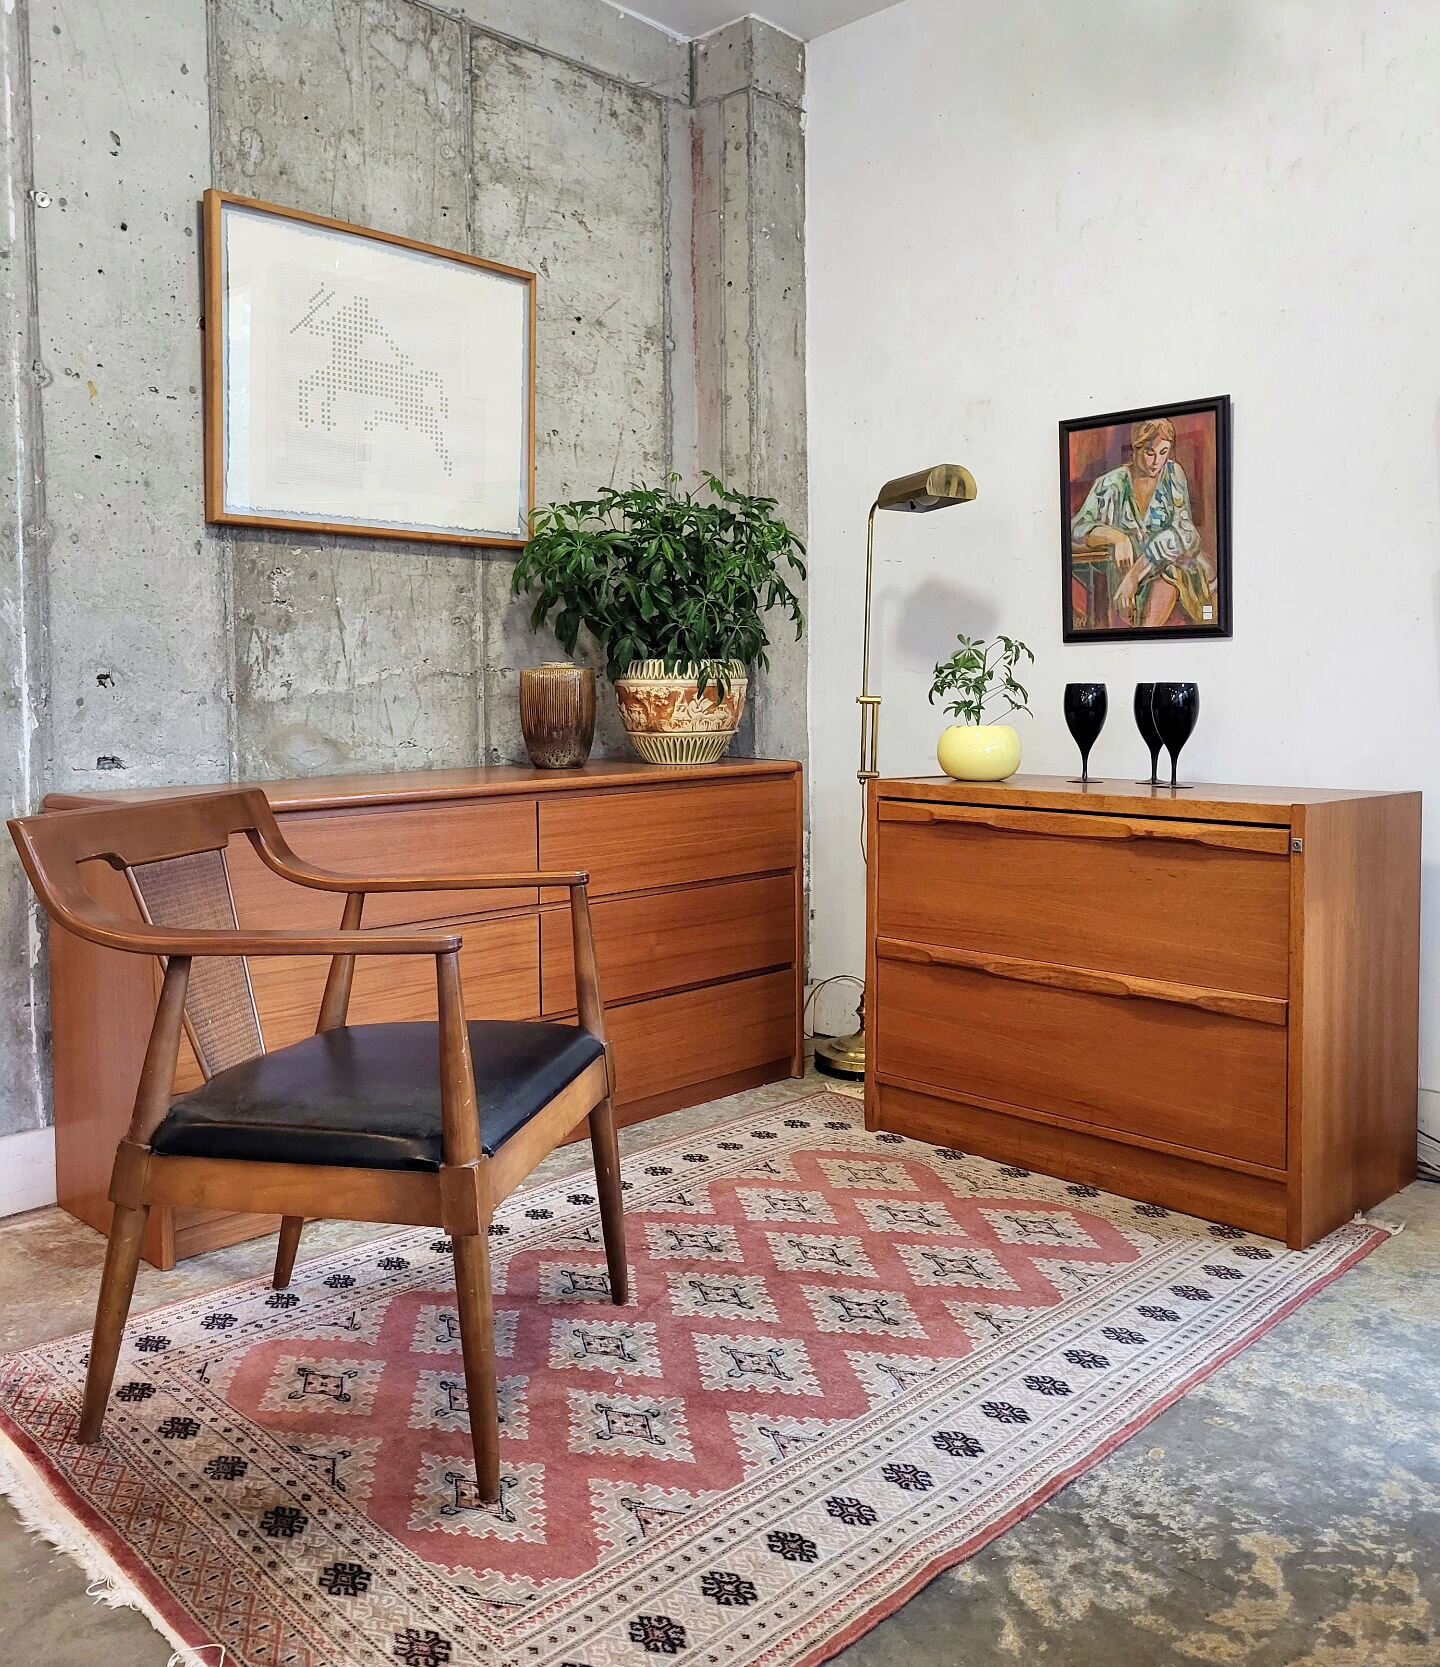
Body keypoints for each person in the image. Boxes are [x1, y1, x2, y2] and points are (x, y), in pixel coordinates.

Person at [1070, 417, 1216, 629]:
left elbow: (1184, 533)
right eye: (1149, 452)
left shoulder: (1173, 475)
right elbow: (1075, 529)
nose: (1157, 461)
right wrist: (1115, 536)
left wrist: (1134, 576)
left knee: (1170, 577)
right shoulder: (1111, 484)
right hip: (1120, 579)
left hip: (1174, 572)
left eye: (1163, 452)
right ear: (1135, 449)